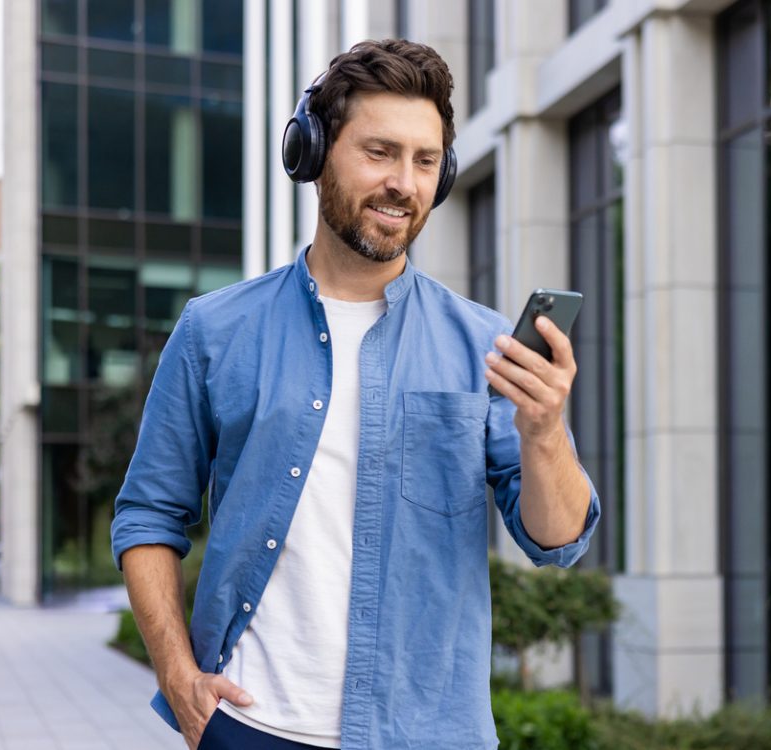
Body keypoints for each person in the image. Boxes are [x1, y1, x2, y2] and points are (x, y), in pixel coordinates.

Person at [111, 38, 600, 750]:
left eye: (425, 161)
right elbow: (148, 516)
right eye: (380, 152)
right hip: (250, 728)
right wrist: (181, 680)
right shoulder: (215, 331)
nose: (404, 182)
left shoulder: (485, 345)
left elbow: (557, 543)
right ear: (312, 153)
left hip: (431, 734)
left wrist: (545, 431)